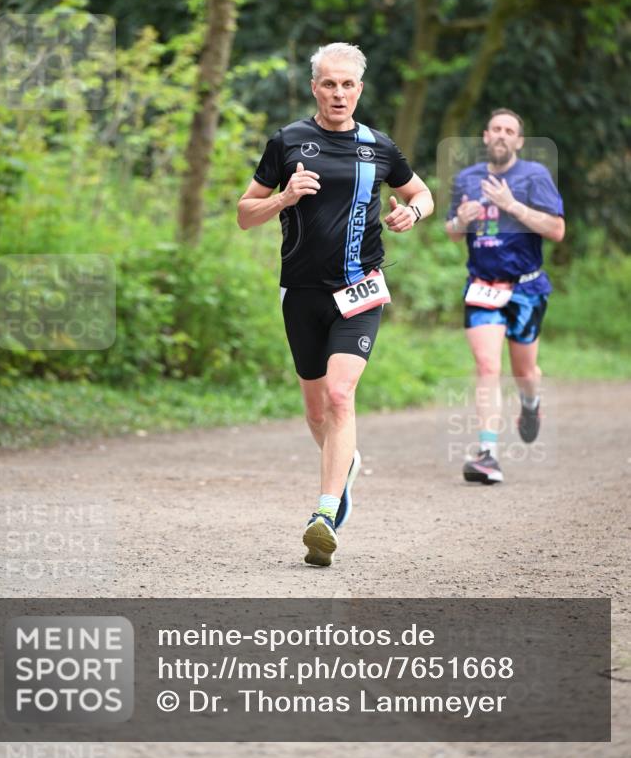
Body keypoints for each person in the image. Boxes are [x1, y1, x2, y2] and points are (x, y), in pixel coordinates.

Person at [238, 42, 433, 566]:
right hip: (301, 292)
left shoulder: (379, 146)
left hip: (360, 289)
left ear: (360, 89)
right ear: (315, 88)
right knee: (316, 409)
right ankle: (345, 464)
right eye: (329, 84)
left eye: (348, 84)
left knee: (341, 395)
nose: (339, 93)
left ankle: (324, 513)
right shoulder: (287, 142)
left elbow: (422, 194)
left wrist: (413, 213)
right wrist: (284, 197)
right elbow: (244, 213)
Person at [445, 109, 565, 485]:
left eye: (509, 130)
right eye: (496, 129)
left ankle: (530, 402)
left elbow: (557, 230)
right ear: (485, 136)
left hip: (526, 287)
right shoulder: (467, 178)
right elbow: (452, 231)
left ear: (519, 141)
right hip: (482, 285)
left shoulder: (535, 176)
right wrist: (461, 221)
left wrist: (512, 205)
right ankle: (488, 454)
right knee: (487, 366)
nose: (501, 135)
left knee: (524, 372)